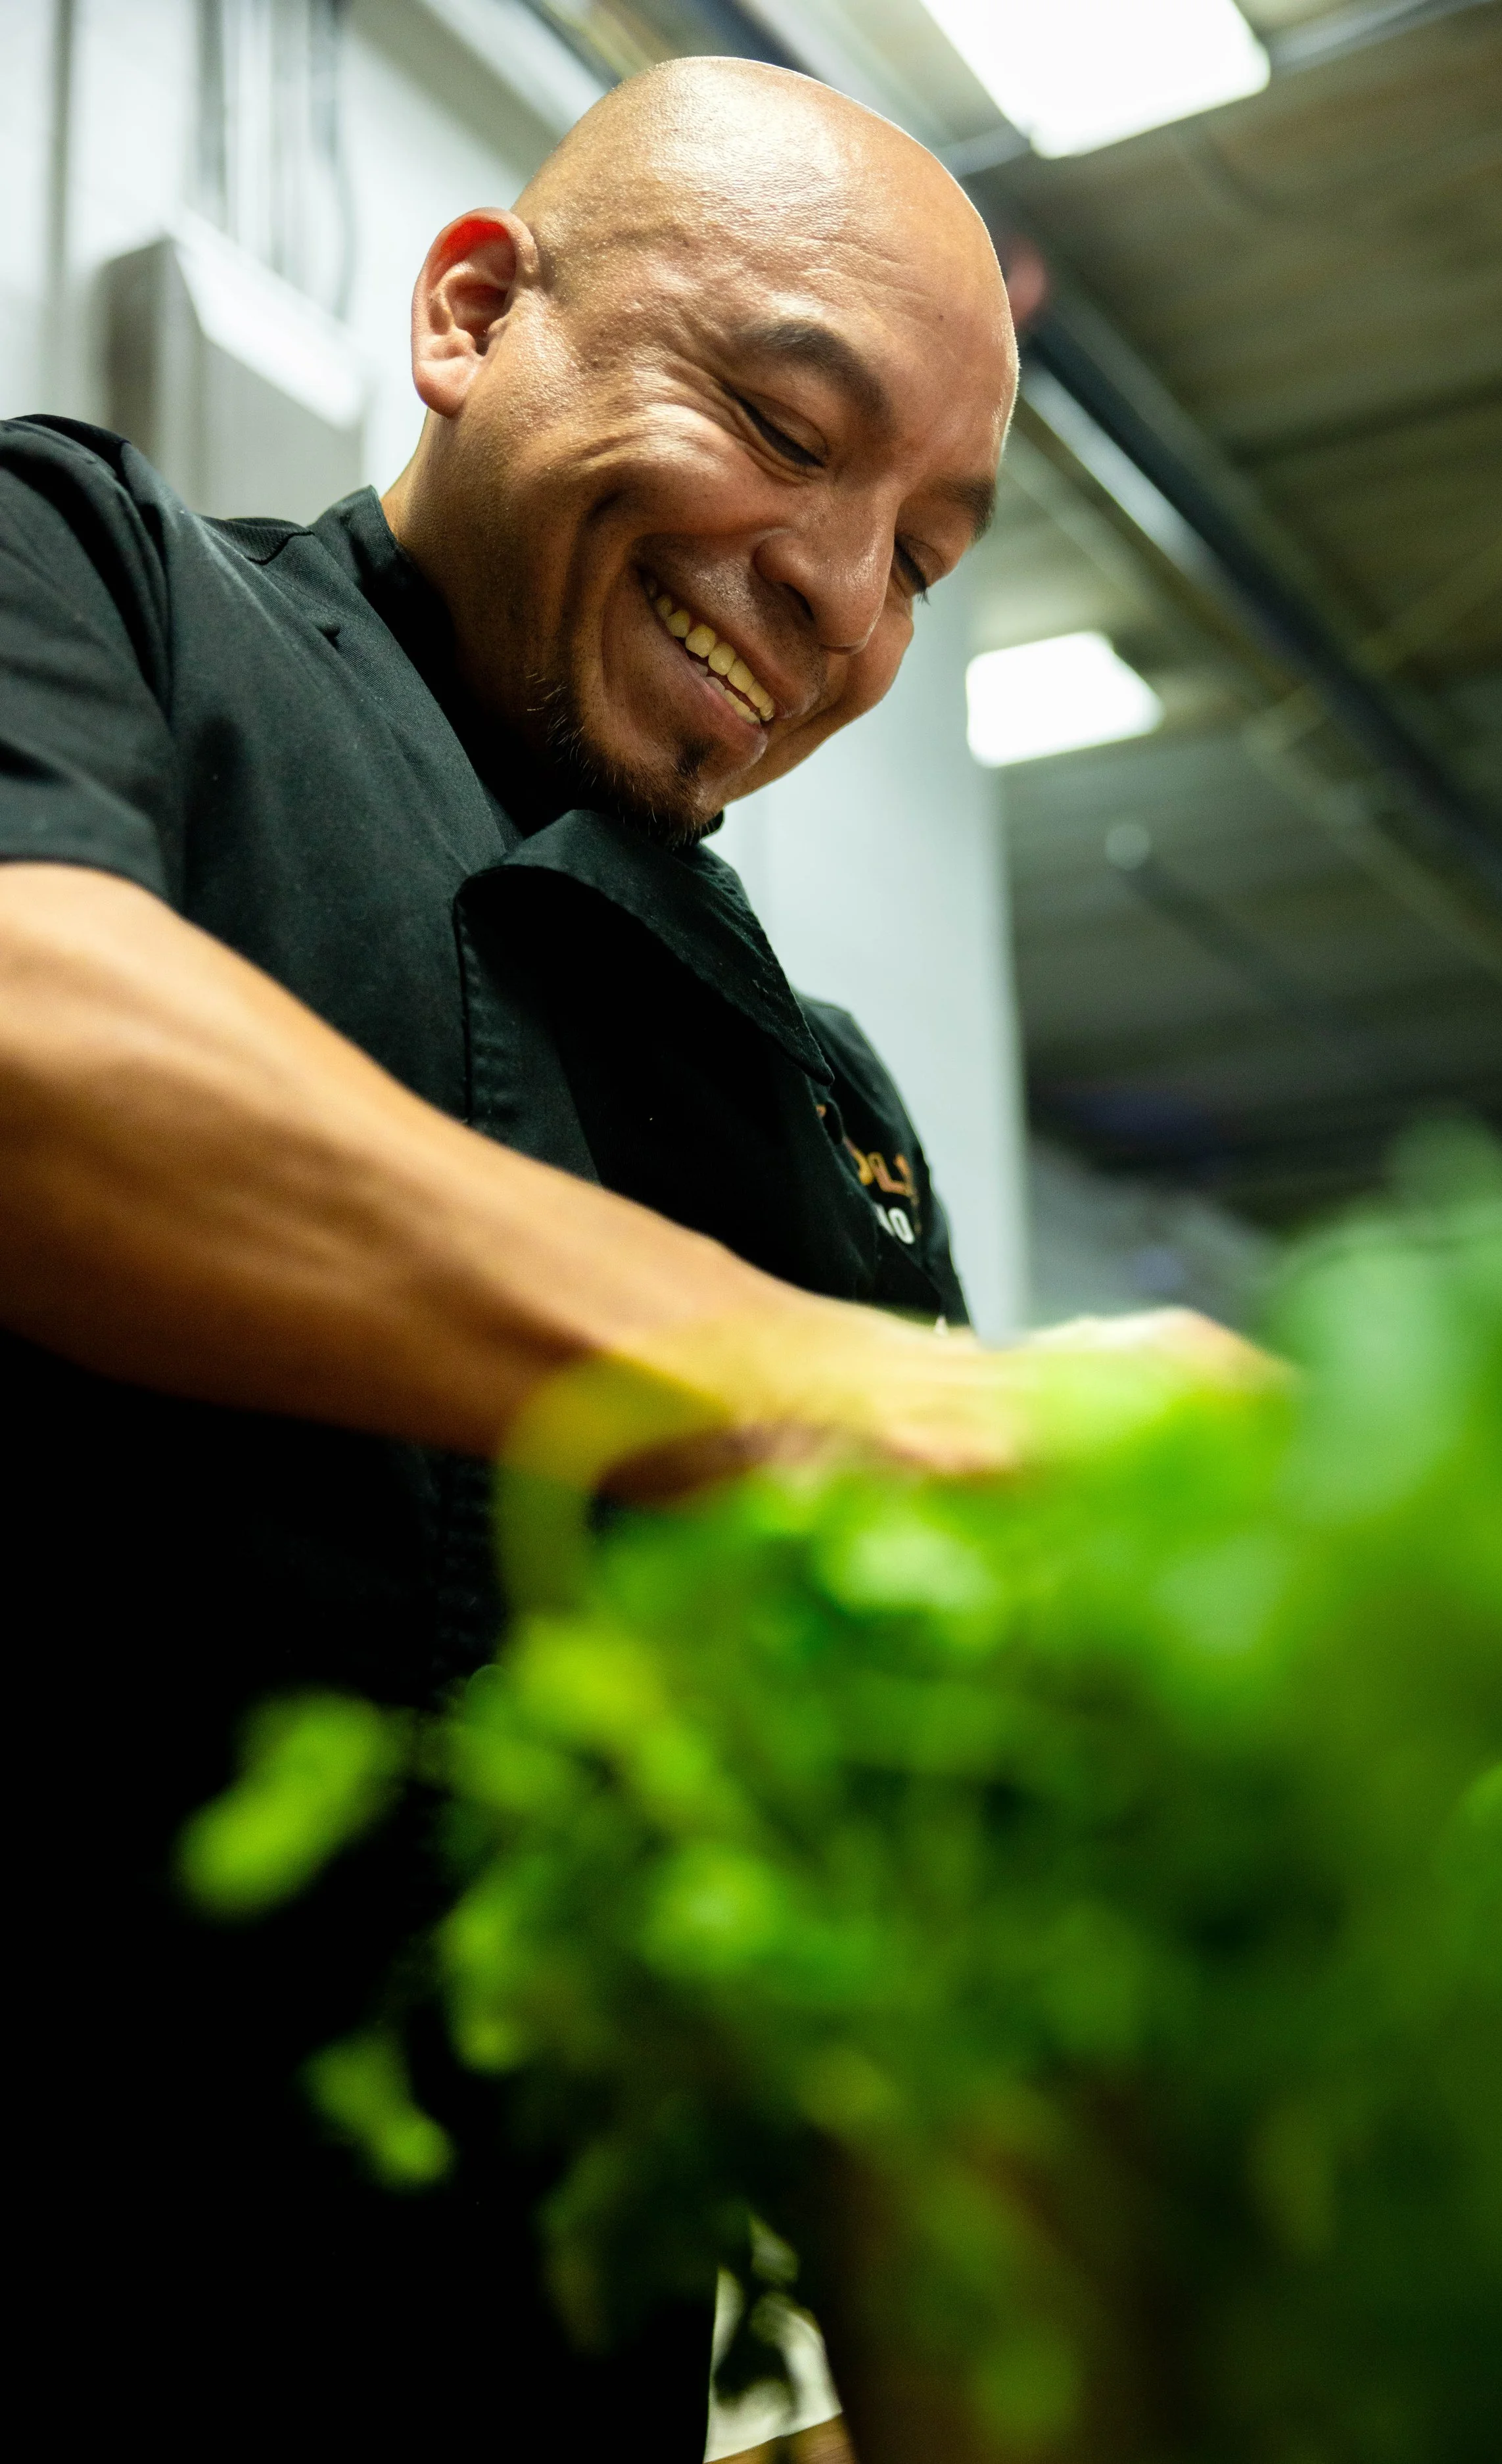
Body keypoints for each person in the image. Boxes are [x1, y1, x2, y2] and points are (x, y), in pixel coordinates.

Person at [0, 55, 1231, 2456]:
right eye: (784, 424)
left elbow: (868, 1959)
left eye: (928, 555)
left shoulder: (826, 1109)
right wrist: (871, 1398)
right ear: (471, 314)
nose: (841, 594)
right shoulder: (93, 583)